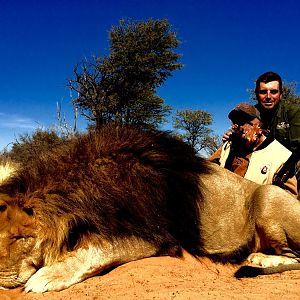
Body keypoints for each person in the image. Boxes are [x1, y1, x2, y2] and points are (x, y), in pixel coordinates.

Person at [223, 71, 300, 192]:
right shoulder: (253, 113)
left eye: (273, 91)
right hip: (262, 161)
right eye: (263, 92)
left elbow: (297, 149)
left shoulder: (293, 112)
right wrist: (233, 135)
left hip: (288, 162)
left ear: (280, 95)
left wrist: (280, 173)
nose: (268, 96)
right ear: (257, 94)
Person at [211, 103, 298, 197]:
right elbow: (207, 173)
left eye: (244, 121)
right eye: (235, 121)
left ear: (260, 125)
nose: (236, 126)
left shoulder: (282, 156)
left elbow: (289, 200)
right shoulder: (227, 147)